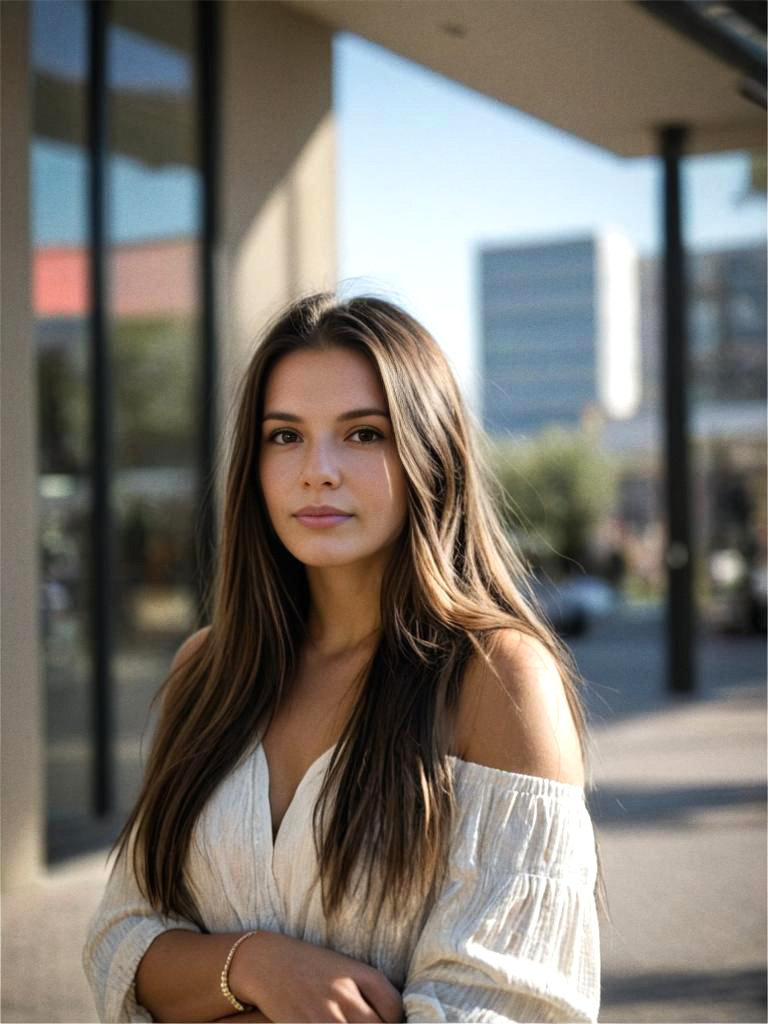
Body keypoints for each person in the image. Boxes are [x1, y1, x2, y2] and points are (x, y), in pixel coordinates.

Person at [82, 292, 607, 1023]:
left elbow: (505, 1010)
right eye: (284, 436)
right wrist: (258, 965)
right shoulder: (204, 670)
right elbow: (121, 942)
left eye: (363, 435)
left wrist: (203, 988)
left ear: (430, 451)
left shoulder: (497, 680)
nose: (317, 470)